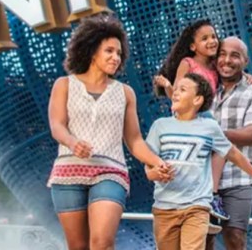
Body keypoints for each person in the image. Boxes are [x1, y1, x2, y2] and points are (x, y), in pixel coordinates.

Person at [47, 13, 172, 250]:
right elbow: (57, 126)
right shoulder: (64, 85)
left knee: (102, 243)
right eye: (109, 51)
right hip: (67, 172)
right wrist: (73, 143)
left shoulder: (125, 93)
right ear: (92, 50)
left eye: (118, 52)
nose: (116, 57)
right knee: (78, 246)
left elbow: (134, 140)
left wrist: (157, 162)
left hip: (111, 171)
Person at [145, 73, 252, 250]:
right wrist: (152, 173)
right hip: (164, 207)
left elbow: (232, 153)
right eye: (176, 89)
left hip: (196, 207)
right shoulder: (160, 125)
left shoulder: (209, 127)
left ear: (197, 100)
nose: (175, 93)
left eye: (182, 89)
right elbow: (148, 160)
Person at [153, 19, 234, 227]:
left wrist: (248, 78)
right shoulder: (188, 64)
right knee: (219, 145)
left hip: (206, 118)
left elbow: (233, 75)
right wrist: (168, 86)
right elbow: (177, 96)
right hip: (191, 117)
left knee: (217, 151)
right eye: (204, 38)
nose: (211, 41)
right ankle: (209, 198)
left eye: (214, 36)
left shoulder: (216, 68)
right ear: (192, 46)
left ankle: (207, 199)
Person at [207, 37, 252, 250]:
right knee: (201, 240)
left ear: (245, 61)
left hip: (238, 179)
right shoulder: (204, 91)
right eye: (222, 54)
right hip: (202, 180)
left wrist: (213, 135)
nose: (227, 60)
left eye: (235, 56)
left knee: (235, 238)